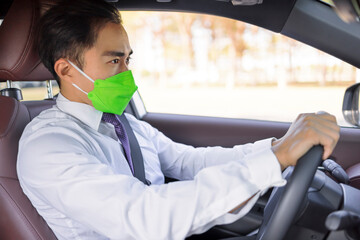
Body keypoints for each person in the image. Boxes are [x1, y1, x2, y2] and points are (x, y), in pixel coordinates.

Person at [16, 0, 340, 239]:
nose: (127, 74)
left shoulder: (123, 124)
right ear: (66, 70)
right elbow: (145, 216)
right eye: (114, 60)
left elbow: (190, 162)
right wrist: (275, 159)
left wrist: (277, 149)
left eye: (127, 59)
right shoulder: (48, 147)